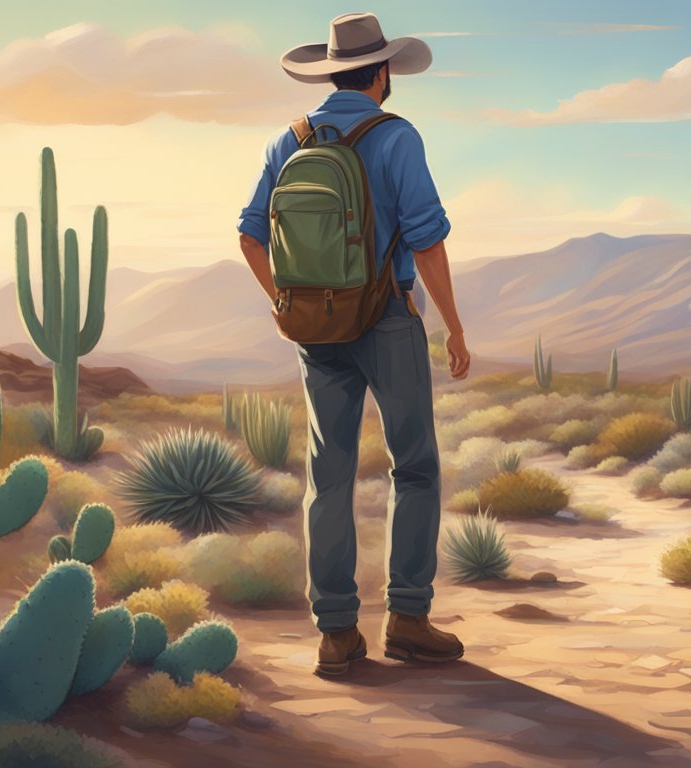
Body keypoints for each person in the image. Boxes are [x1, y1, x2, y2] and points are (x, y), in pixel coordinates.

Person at [237, 12, 470, 676]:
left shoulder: (290, 140)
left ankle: (336, 633)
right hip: (388, 318)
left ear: (331, 70)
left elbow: (250, 235)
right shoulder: (397, 137)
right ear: (384, 71)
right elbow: (426, 239)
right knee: (414, 465)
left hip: (315, 327)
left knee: (328, 474)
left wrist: (286, 301)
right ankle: (408, 618)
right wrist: (452, 325)